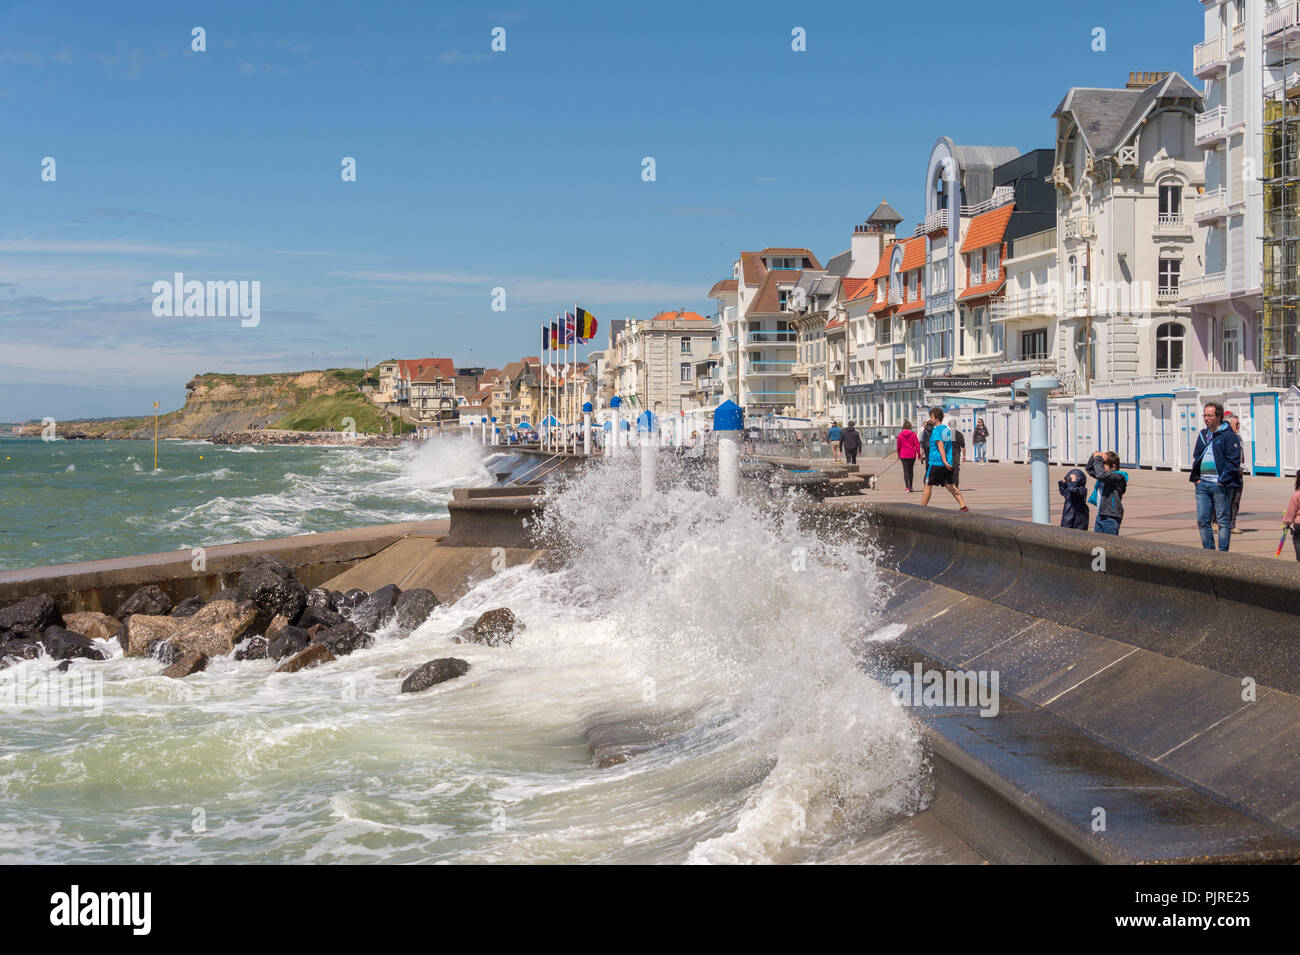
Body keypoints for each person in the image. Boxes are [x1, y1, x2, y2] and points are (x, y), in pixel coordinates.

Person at [1190, 402, 1243, 552]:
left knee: (1223, 521)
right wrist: (1196, 478)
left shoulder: (1229, 436)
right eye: (1205, 415)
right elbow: (1197, 456)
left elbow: (1233, 460)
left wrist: (1222, 480)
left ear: (1219, 417)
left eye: (1210, 415)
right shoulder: (1202, 434)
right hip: (1202, 484)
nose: (1206, 418)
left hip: (1220, 485)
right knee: (1202, 520)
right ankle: (1209, 551)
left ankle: (1222, 554)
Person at [920, 407, 970, 511]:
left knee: (927, 484)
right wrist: (947, 461)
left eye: (931, 417)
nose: (930, 419)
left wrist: (943, 460)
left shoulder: (936, 430)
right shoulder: (947, 430)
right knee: (950, 485)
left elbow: (941, 445)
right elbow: (948, 446)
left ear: (936, 418)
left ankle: (922, 509)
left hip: (936, 462)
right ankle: (963, 505)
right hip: (947, 463)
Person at [1085, 451, 1128, 535]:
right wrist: (1094, 456)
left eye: (1103, 465)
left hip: (1111, 516)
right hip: (1101, 514)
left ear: (1113, 466)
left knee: (1110, 544)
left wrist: (1098, 459)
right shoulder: (1105, 476)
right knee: (1098, 544)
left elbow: (1101, 475)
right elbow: (1089, 469)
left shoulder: (1118, 477)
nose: (1100, 467)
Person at [1226, 413, 1245, 535]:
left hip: (1239, 473)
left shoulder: (1238, 437)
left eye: (1239, 424)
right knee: (1228, 501)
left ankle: (1232, 524)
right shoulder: (1226, 438)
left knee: (1236, 501)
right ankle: (1224, 524)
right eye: (1236, 424)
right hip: (1230, 474)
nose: (1238, 426)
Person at [896, 420, 920, 493]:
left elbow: (898, 447)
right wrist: (919, 454)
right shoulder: (913, 435)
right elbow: (917, 445)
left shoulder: (900, 435)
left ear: (903, 427)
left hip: (903, 455)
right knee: (911, 471)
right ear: (910, 427)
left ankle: (907, 487)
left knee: (905, 471)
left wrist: (898, 455)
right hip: (912, 455)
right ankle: (911, 486)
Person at [1283, 472, 1300, 562]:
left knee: (1297, 542)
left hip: (1298, 524)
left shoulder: (1297, 494)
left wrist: (1287, 523)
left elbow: (1291, 510)